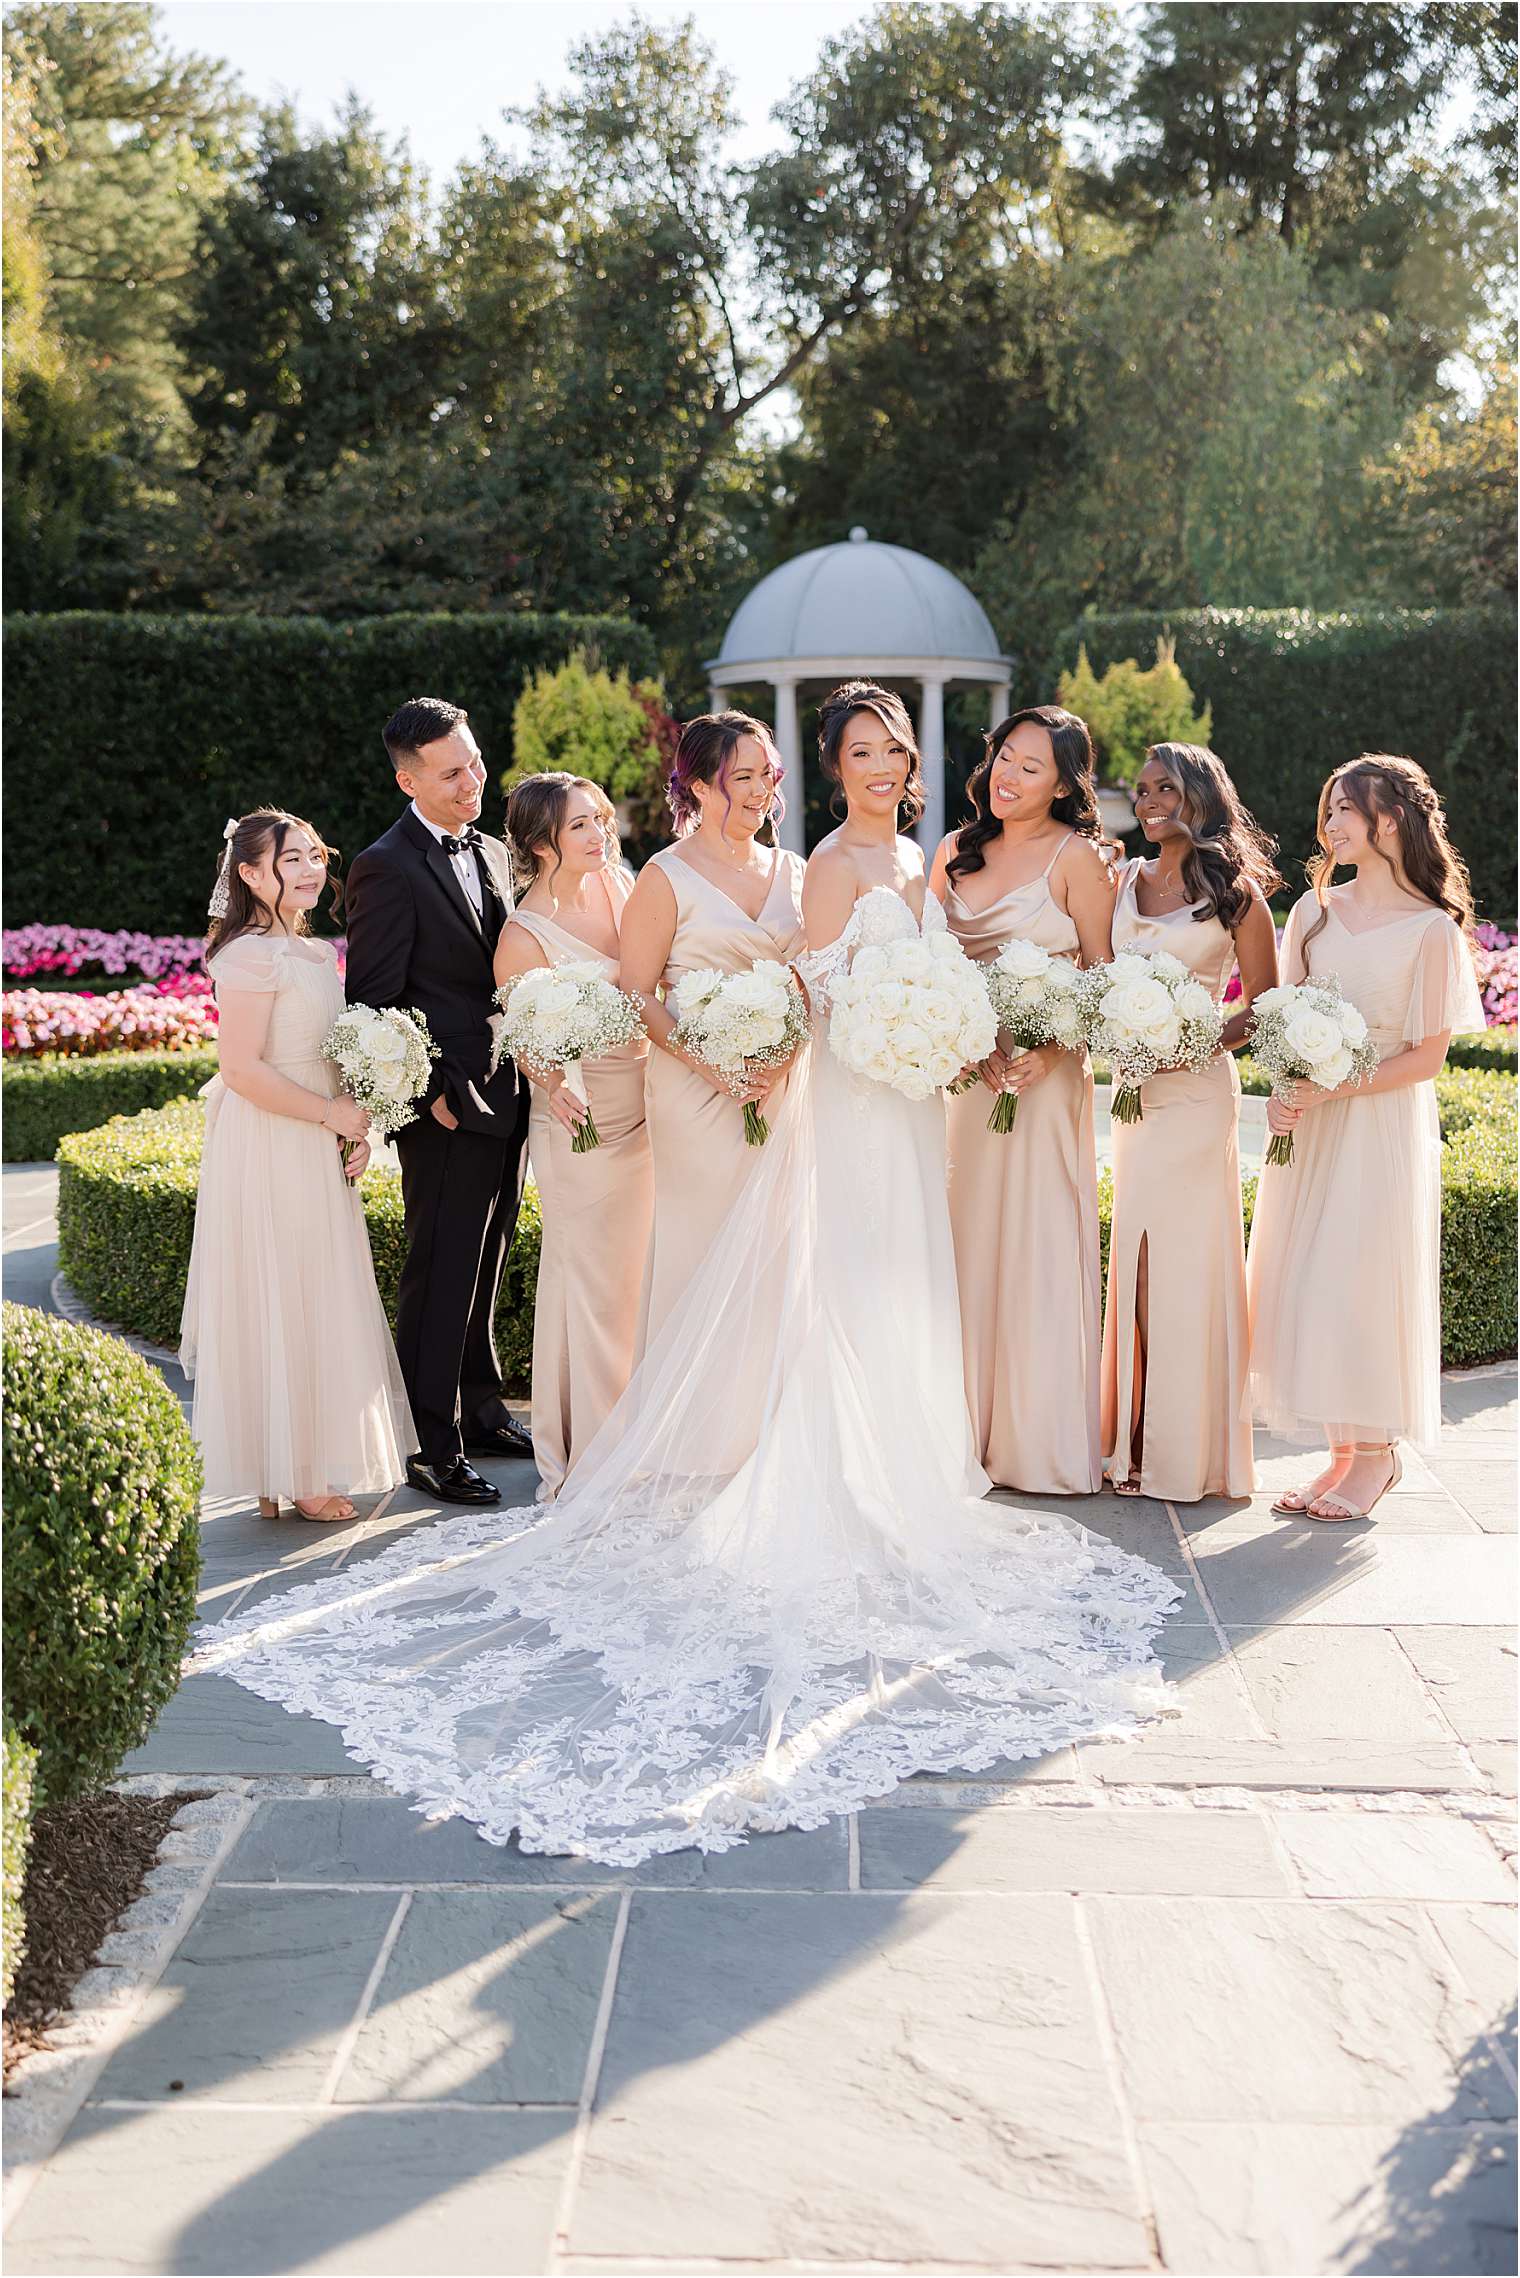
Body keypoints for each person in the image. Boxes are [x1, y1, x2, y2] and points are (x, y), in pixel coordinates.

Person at [195, 683, 1177, 1866]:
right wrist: (745, 1041)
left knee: (864, 1279)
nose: (794, 783)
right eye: (821, 758)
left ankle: (860, 1452)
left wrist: (927, 1036)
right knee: (766, 1269)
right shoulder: (760, 870)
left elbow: (850, 976)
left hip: (867, 1093)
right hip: (774, 1091)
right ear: (725, 781)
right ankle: (686, 1448)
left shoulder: (873, 861)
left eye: (873, 753)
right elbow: (753, 982)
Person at [1247, 755, 1486, 1521]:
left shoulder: (1431, 929)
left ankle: (1377, 1456)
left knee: (1358, 1284)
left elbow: (1426, 1057)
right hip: (1311, 1124)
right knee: (1306, 1280)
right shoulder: (1312, 911)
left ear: (1391, 819)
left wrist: (1333, 1088)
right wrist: (1285, 1092)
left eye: (1346, 809)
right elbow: (1283, 1019)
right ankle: (1343, 1454)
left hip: (1378, 1124)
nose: (1330, 824)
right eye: (1329, 810)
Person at [180, 809, 413, 1520]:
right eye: (292, 860)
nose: (312, 869)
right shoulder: (248, 956)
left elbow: (325, 1052)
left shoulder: (312, 952)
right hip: (271, 1137)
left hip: (316, 1134)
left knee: (315, 1288)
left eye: (315, 855)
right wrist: (326, 1114)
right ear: (250, 874)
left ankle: (289, 1462)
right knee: (286, 1290)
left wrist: (356, 1121)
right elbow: (242, 1070)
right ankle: (296, 1471)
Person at [343, 697, 531, 1508]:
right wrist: (427, 1101)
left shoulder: (493, 850)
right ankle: (432, 1442)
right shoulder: (384, 866)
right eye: (452, 773)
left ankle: (482, 1411)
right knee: (441, 1268)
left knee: (488, 1257)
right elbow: (371, 1005)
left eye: (475, 762)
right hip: (448, 1107)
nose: (472, 781)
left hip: (509, 1090)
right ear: (408, 781)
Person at [931, 706, 1114, 1495]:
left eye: (1031, 766)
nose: (1008, 774)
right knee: (963, 1242)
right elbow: (929, 965)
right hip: (969, 1081)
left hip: (1043, 1082)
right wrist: (961, 1040)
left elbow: (1102, 977)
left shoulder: (1079, 859)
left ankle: (1035, 1442)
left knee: (1036, 1246)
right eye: (1005, 755)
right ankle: (960, 1435)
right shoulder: (954, 851)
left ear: (1063, 785)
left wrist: (1056, 1051)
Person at [1099, 744, 1280, 1502]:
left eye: (1165, 789)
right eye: (1141, 790)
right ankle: (1133, 1436)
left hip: (1197, 1092)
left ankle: (1183, 1448)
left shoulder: (1237, 895)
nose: (1148, 802)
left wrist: (1192, 1042)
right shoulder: (1121, 879)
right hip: (1132, 1092)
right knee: (1136, 1260)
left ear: (1200, 796)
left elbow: (1264, 1008)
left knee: (1184, 1262)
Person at [617, 712, 806, 1352]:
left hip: (781, 1088)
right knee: (703, 1243)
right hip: (695, 1091)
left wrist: (783, 1060)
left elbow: (814, 979)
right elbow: (637, 992)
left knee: (777, 1249)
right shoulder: (664, 875)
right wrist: (710, 1065)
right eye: (741, 777)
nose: (760, 790)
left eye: (766, 774)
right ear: (698, 786)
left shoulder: (795, 870)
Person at [493, 773, 654, 1500]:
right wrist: (553, 1080)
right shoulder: (522, 936)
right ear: (540, 843)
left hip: (649, 1108)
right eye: (581, 825)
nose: (600, 834)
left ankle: (645, 1436)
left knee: (642, 1279)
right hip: (579, 1121)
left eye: (601, 819)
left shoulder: (623, 886)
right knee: (591, 1284)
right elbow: (526, 1039)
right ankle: (592, 1448)